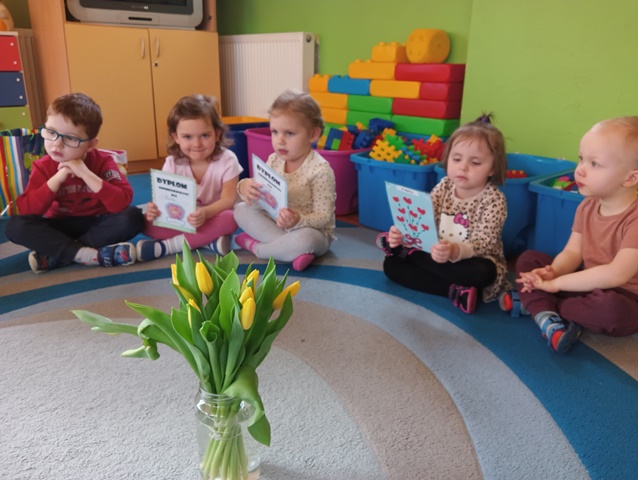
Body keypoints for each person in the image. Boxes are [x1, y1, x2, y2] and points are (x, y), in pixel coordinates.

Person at [504, 116, 638, 354]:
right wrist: (553, 271)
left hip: (626, 298)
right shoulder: (587, 206)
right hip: (586, 282)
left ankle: (539, 305)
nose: (580, 170)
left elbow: (616, 274)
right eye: (581, 159)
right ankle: (546, 311)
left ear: (630, 178)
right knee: (529, 259)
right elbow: (573, 252)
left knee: (611, 311)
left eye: (594, 164)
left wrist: (554, 285)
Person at [376, 115, 510, 314]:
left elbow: (484, 242)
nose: (463, 167)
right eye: (457, 159)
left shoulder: (494, 199)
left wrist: (454, 251)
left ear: (492, 168)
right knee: (391, 266)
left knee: (483, 272)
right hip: (436, 255)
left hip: (472, 260)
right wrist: (402, 233)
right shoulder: (445, 186)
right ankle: (455, 291)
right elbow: (422, 218)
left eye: (475, 163)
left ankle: (409, 255)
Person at [6, 93, 144, 273]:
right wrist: (58, 178)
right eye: (51, 132)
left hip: (97, 223)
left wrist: (85, 173)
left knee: (133, 216)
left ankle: (65, 254)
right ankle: (89, 254)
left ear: (91, 144)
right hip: (60, 226)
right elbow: (28, 209)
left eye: (70, 138)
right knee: (15, 226)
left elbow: (121, 202)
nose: (57, 144)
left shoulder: (104, 162)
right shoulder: (43, 166)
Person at [233, 89, 336, 271]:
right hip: (276, 223)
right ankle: (290, 251)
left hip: (310, 230)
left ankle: (258, 248)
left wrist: (298, 220)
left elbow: (324, 217)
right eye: (274, 132)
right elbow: (261, 193)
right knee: (241, 209)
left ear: (312, 135)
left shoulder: (320, 170)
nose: (279, 140)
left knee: (306, 240)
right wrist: (244, 186)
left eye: (289, 133)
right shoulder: (274, 159)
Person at [136, 95, 242, 261]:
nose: (197, 144)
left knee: (232, 218)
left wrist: (205, 212)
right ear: (176, 137)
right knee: (143, 222)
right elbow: (166, 201)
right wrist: (155, 210)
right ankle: (208, 242)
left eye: (205, 135)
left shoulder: (228, 160)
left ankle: (167, 247)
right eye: (187, 137)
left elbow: (228, 200)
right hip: (182, 220)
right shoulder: (172, 163)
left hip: (214, 216)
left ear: (217, 134)